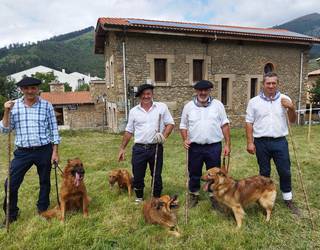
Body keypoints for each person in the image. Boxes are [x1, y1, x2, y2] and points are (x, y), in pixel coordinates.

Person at [0, 77, 61, 226]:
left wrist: (55, 152)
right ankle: (11, 215)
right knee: (11, 183)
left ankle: (42, 209)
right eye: (26, 88)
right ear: (21, 90)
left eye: (33, 88)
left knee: (44, 182)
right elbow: (5, 129)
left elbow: (54, 130)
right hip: (22, 152)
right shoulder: (14, 106)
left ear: (38, 89)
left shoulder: (46, 106)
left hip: (44, 150)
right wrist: (6, 111)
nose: (30, 91)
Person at [245, 72, 300, 215]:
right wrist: (250, 142)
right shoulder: (254, 102)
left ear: (277, 84)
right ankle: (265, 200)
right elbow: (249, 123)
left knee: (285, 171)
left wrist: (291, 107)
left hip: (279, 141)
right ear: (263, 84)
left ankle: (288, 199)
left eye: (273, 83)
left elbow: (293, 120)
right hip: (261, 142)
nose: (271, 86)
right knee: (264, 173)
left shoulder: (284, 99)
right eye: (268, 83)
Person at [118, 84, 174, 203]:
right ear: (140, 96)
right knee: (138, 175)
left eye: (148, 93)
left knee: (156, 175)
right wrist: (122, 148)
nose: (146, 96)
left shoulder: (161, 107)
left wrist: (163, 136)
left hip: (156, 147)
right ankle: (139, 197)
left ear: (152, 94)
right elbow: (129, 131)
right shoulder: (134, 111)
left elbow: (170, 124)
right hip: (139, 148)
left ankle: (156, 197)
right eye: (143, 94)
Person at [180, 80, 231, 208]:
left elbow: (225, 124)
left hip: (213, 146)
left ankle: (214, 196)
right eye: (200, 90)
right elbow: (183, 125)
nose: (203, 93)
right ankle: (194, 194)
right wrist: (185, 139)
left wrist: (227, 144)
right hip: (195, 147)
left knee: (215, 174)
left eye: (206, 90)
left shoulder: (218, 105)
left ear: (209, 91)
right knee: (194, 172)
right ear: (196, 91)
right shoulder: (188, 106)